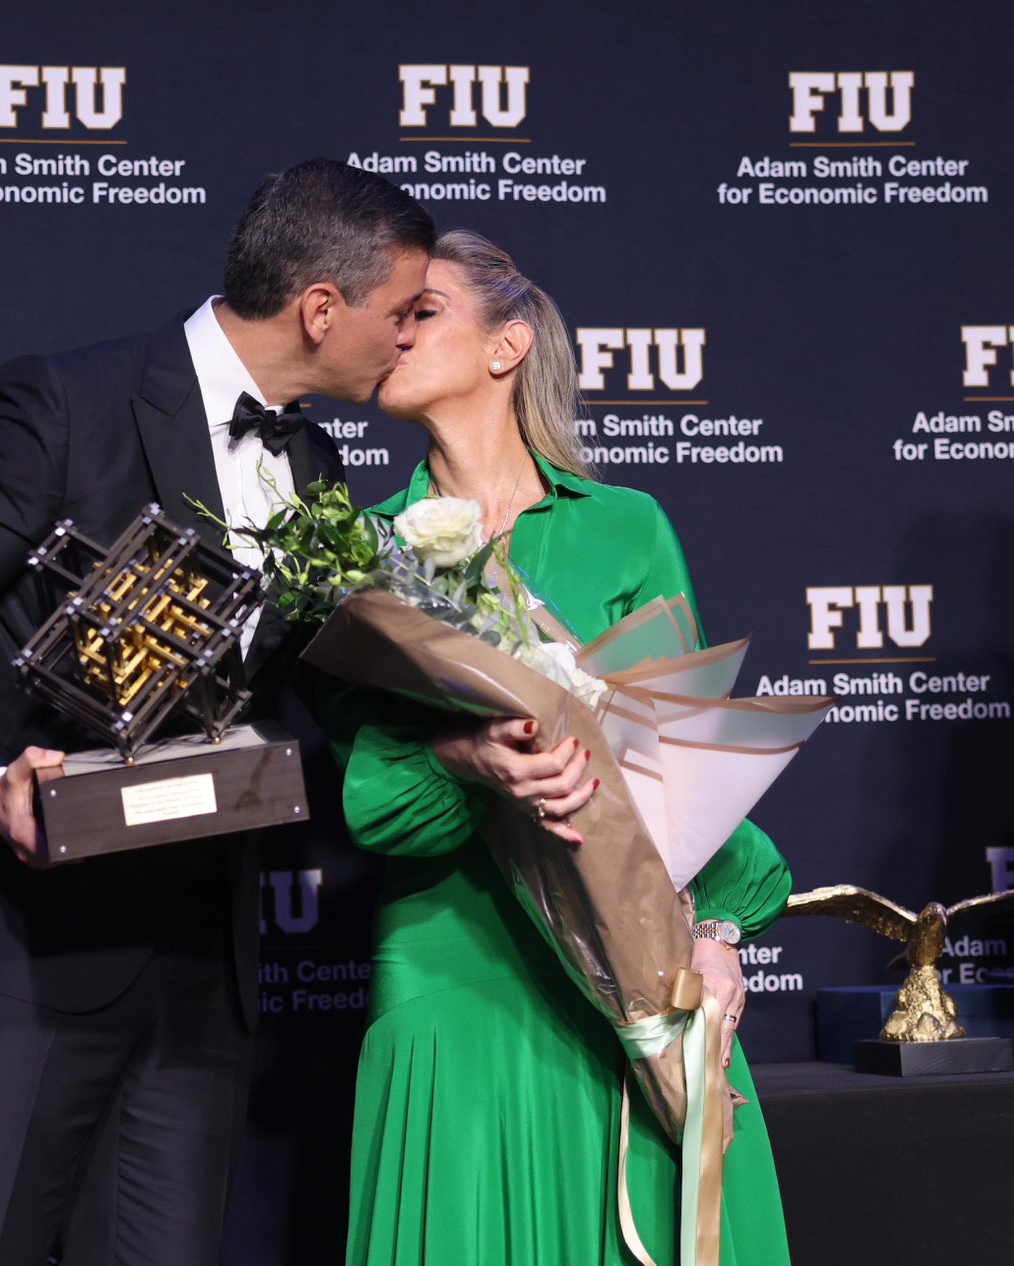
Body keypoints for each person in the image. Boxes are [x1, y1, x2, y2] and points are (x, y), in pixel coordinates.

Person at [0, 159, 432, 1266]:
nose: (405, 339)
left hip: (199, 961)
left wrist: (474, 726)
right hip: (27, 944)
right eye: (399, 313)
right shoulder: (64, 401)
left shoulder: (313, 460)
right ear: (320, 308)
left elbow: (320, 677)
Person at [320, 229, 794, 1265]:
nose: (393, 331)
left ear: (508, 345)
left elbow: (685, 760)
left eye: (423, 310)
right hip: (450, 956)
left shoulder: (624, 528)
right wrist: (466, 762)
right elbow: (361, 795)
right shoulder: (361, 553)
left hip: (628, 961)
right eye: (386, 314)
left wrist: (714, 934)